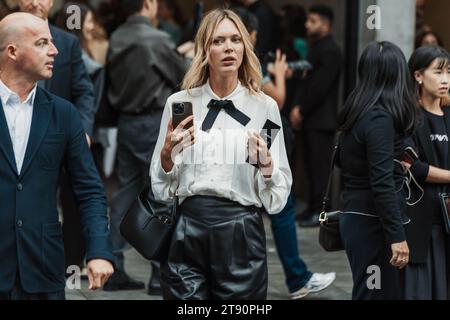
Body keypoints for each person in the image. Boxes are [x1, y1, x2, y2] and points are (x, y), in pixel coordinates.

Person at [150, 8, 292, 300]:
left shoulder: (263, 108)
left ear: (245, 47)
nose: (228, 47)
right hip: (187, 229)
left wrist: (266, 165)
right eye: (218, 41)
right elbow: (162, 189)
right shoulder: (181, 103)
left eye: (235, 40)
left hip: (241, 233)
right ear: (204, 50)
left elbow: (276, 200)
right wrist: (166, 157)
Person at [0, 12, 114, 300]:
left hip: (43, 271)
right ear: (12, 51)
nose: (55, 50)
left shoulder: (63, 113)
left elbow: (89, 190)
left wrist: (99, 250)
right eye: (42, 43)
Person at [234, 5, 336, 300]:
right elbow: (276, 100)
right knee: (280, 204)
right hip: (260, 141)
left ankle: (290, 277)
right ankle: (296, 278)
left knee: (264, 204)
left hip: (253, 143)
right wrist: (279, 75)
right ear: (252, 33)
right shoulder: (250, 63)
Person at [104, 0, 187, 294]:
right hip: (153, 121)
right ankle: (158, 272)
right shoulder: (158, 38)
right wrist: (188, 55)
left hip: (126, 122)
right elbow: (184, 76)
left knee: (124, 192)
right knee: (161, 192)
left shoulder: (116, 37)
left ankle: (113, 264)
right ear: (149, 4)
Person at [18, 0, 97, 274]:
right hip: (17, 136)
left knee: (74, 200)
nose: (35, 2)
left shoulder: (66, 42)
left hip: (61, 137)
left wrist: (84, 130)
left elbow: (83, 90)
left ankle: (69, 264)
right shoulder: (5, 36)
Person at [338, 41, 420, 300]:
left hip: (358, 217)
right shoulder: (378, 118)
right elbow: (382, 181)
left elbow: (344, 161)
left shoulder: (356, 112)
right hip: (373, 223)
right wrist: (397, 236)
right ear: (396, 75)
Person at [403, 46, 450, 299]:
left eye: (449, 73)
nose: (445, 80)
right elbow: (413, 166)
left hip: (447, 221)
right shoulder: (409, 117)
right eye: (438, 72)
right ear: (418, 75)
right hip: (420, 219)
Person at [290, 5, 343, 227]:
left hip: (322, 120)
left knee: (320, 169)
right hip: (313, 118)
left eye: (312, 21)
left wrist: (301, 109)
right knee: (311, 168)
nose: (307, 25)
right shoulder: (317, 48)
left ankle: (321, 212)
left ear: (325, 23)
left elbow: (319, 87)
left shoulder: (330, 50)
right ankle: (312, 208)